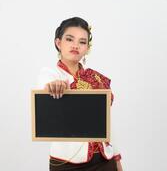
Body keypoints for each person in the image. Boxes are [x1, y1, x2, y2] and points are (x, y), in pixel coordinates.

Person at [36, 17, 123, 171]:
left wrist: (116, 157)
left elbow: (106, 123)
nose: (76, 45)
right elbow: (45, 88)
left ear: (87, 48)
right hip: (66, 163)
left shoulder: (96, 78)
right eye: (70, 39)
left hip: (105, 160)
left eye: (82, 42)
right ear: (58, 43)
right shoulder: (51, 74)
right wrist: (53, 86)